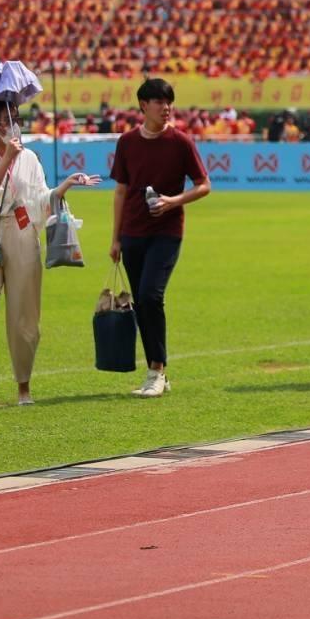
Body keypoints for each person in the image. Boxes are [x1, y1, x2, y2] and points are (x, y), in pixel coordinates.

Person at [0, 103, 98, 410]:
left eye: (17, 118)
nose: (15, 124)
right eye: (9, 120)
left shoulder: (30, 158)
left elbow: (39, 198)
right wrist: (7, 156)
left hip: (22, 235)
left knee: (25, 317)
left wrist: (64, 187)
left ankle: (24, 387)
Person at [107, 79, 210, 399]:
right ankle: (155, 370)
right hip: (132, 232)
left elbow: (204, 184)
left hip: (167, 232)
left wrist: (173, 201)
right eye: (159, 102)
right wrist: (115, 239)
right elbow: (121, 190)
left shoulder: (181, 142)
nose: (166, 108)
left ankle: (157, 370)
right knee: (141, 302)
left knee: (152, 295)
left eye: (169, 102)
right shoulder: (126, 143)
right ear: (143, 105)